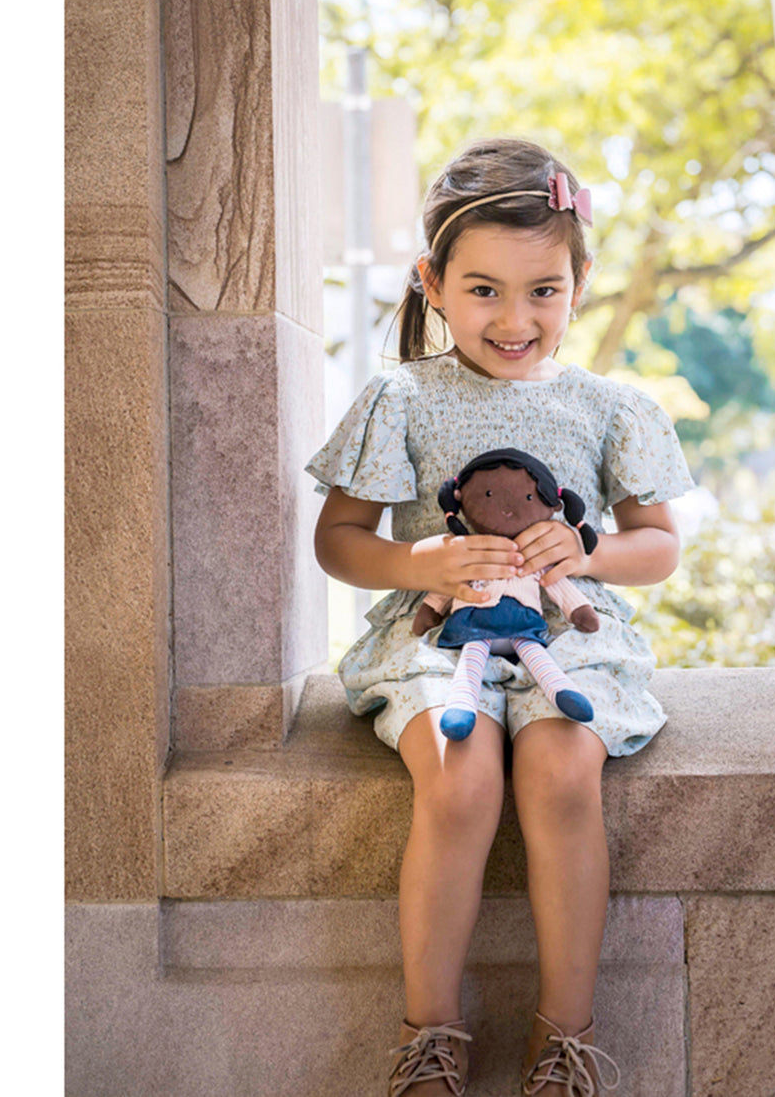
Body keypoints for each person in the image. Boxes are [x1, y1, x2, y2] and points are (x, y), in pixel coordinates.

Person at [305, 137, 695, 1096]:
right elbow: (340, 540)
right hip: (439, 633)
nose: (514, 318)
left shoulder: (612, 407)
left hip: (570, 636)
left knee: (564, 769)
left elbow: (658, 545)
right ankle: (429, 1030)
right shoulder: (399, 397)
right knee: (461, 771)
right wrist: (415, 560)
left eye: (542, 292)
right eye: (483, 290)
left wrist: (590, 553)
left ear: (579, 282)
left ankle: (567, 1034)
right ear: (433, 282)